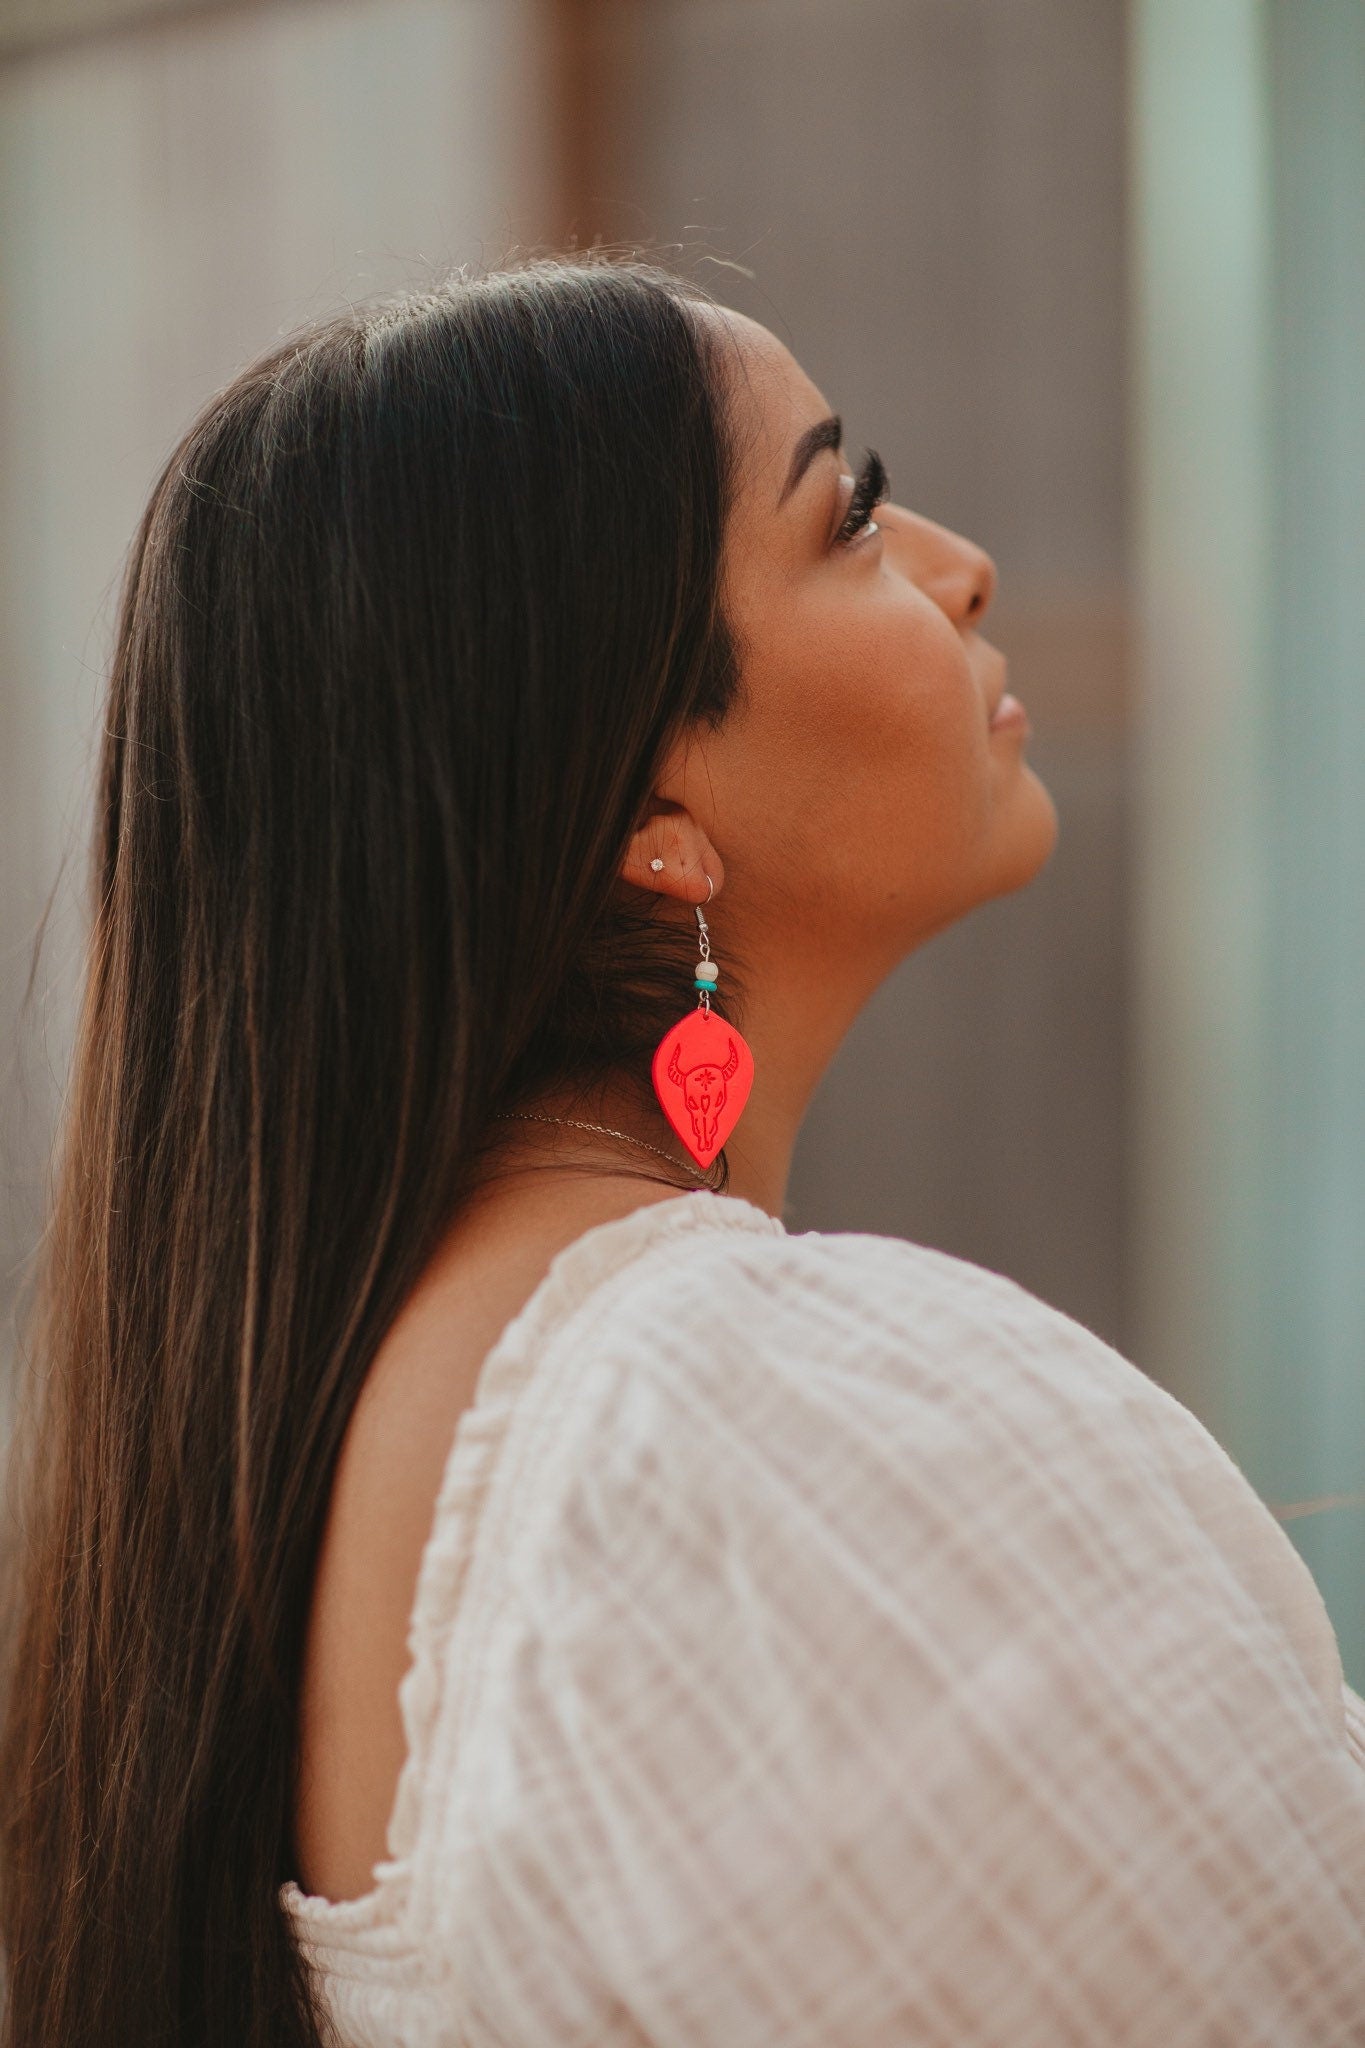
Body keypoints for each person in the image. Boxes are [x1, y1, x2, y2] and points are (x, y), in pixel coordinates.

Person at [1, 254, 1362, 2048]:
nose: (962, 566)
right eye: (850, 516)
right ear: (651, 811)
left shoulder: (332, 1451)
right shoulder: (749, 1425)